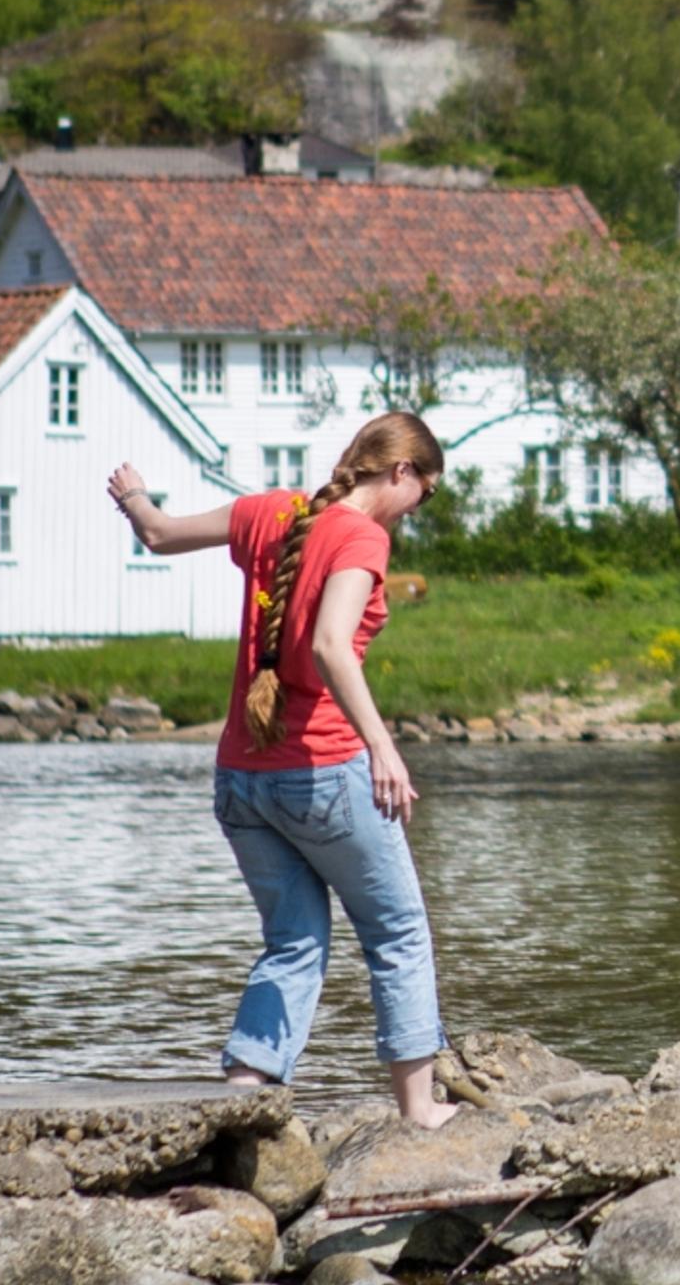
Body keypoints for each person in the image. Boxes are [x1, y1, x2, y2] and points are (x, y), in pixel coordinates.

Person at [108, 412, 458, 1128]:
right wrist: (384, 748)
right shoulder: (363, 536)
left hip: (241, 778)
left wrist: (133, 496)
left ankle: (243, 1097)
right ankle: (421, 1111)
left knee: (295, 939)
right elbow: (332, 645)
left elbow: (159, 534)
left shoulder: (275, 511)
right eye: (423, 492)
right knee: (397, 932)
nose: (418, 508)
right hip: (322, 772)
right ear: (400, 472)